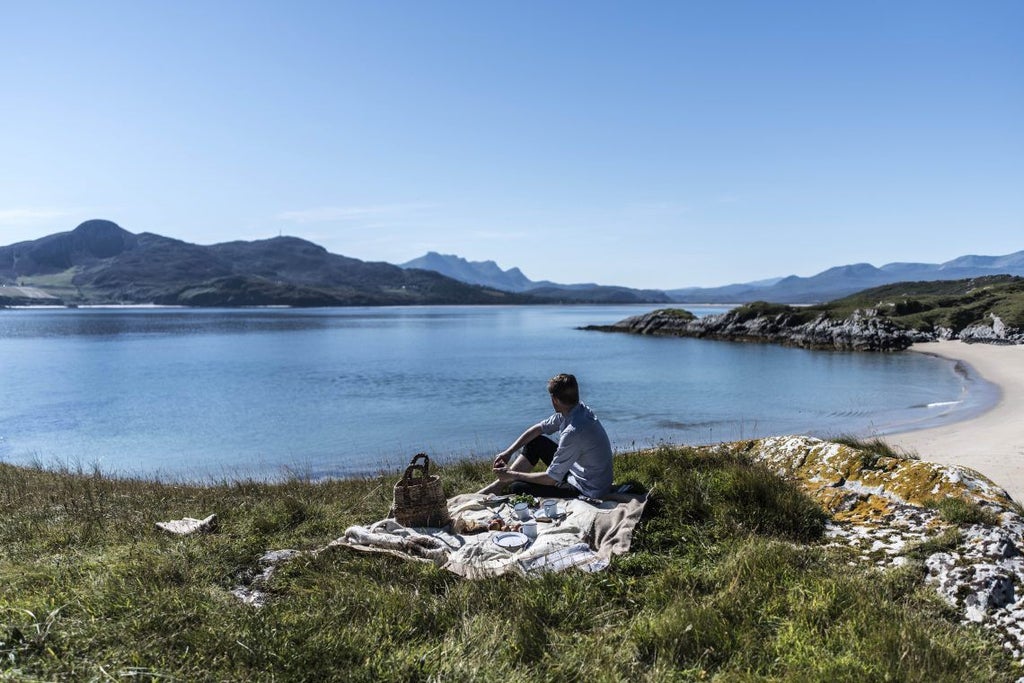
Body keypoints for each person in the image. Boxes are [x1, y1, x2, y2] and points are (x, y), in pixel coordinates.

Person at [478, 373, 613, 500]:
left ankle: (503, 484)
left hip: (588, 490)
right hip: (581, 474)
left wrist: (513, 475)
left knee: (517, 487)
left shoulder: (573, 432)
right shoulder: (578, 410)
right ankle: (497, 487)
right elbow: (539, 429)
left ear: (554, 400)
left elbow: (551, 479)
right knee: (536, 442)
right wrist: (508, 452)